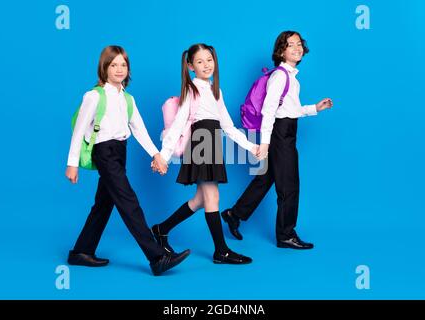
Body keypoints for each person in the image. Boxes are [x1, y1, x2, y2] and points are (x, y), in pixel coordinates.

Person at [65, 45, 190, 276]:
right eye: (114, 65)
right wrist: (72, 163)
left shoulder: (128, 99)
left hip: (121, 150)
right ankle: (157, 257)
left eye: (123, 64)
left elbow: (139, 129)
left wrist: (157, 155)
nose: (119, 69)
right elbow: (79, 129)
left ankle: (81, 251)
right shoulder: (94, 96)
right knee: (128, 201)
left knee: (104, 203)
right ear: (104, 68)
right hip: (104, 152)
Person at [151, 43, 262, 264]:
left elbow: (228, 126)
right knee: (213, 197)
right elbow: (178, 124)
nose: (206, 65)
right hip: (201, 143)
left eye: (209, 60)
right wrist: (163, 155)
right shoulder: (191, 89)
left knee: (201, 199)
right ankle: (221, 251)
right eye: (200, 61)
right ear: (190, 66)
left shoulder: (215, 90)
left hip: (213, 142)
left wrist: (252, 147)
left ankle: (161, 229)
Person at [221, 31, 333, 249]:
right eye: (291, 45)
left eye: (299, 44)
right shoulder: (280, 76)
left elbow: (289, 109)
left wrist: (315, 108)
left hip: (284, 130)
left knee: (266, 178)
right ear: (281, 51)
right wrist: (265, 142)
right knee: (289, 185)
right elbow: (269, 110)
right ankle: (285, 234)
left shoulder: (290, 77)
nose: (297, 48)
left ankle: (234, 214)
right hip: (279, 134)